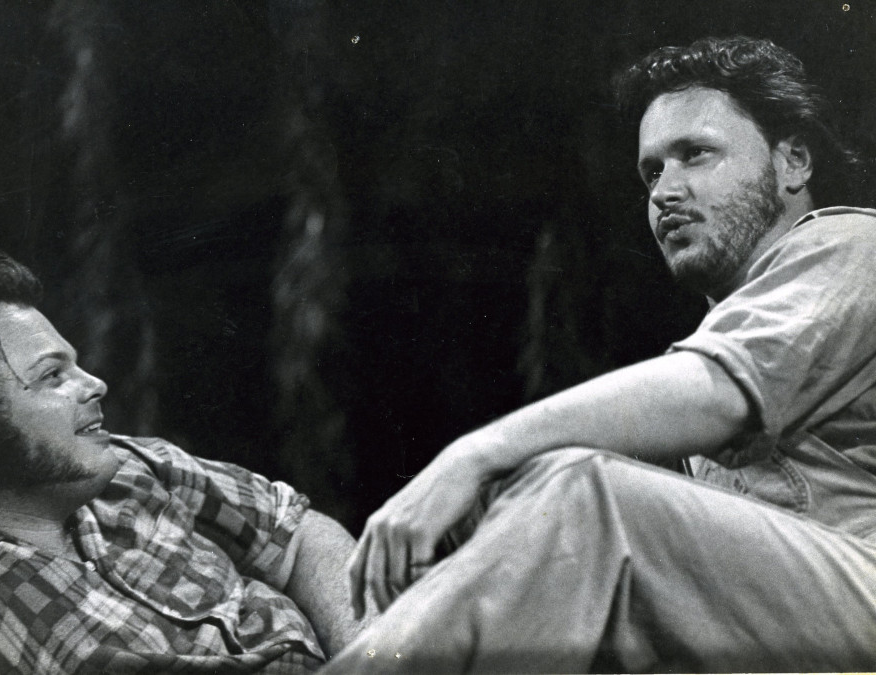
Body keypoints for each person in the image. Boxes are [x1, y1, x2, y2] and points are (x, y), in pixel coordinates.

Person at [324, 36, 876, 673]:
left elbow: (714, 390)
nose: (665, 191)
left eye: (696, 154)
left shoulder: (853, 246)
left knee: (584, 494)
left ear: (793, 162)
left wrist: (471, 457)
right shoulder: (728, 333)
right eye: (652, 172)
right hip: (795, 625)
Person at [0, 248, 369, 673]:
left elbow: (297, 536)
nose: (95, 384)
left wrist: (369, 654)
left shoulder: (130, 466)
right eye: (52, 376)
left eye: (76, 366)